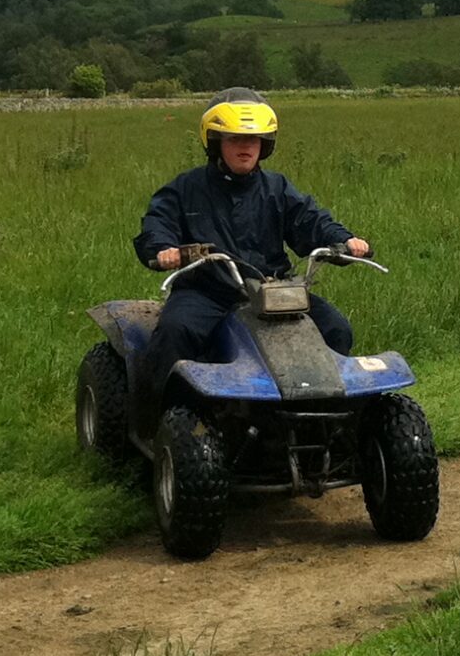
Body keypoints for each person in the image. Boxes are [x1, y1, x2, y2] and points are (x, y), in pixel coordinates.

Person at [130, 88, 371, 435]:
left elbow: (310, 220)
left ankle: (323, 428)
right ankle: (163, 429)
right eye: (235, 139)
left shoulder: (277, 188)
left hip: (272, 290)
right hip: (208, 290)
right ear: (216, 143)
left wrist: (344, 241)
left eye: (253, 139)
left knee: (335, 328)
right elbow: (158, 223)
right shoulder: (186, 188)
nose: (245, 147)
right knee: (175, 332)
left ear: (265, 144)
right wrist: (163, 248)